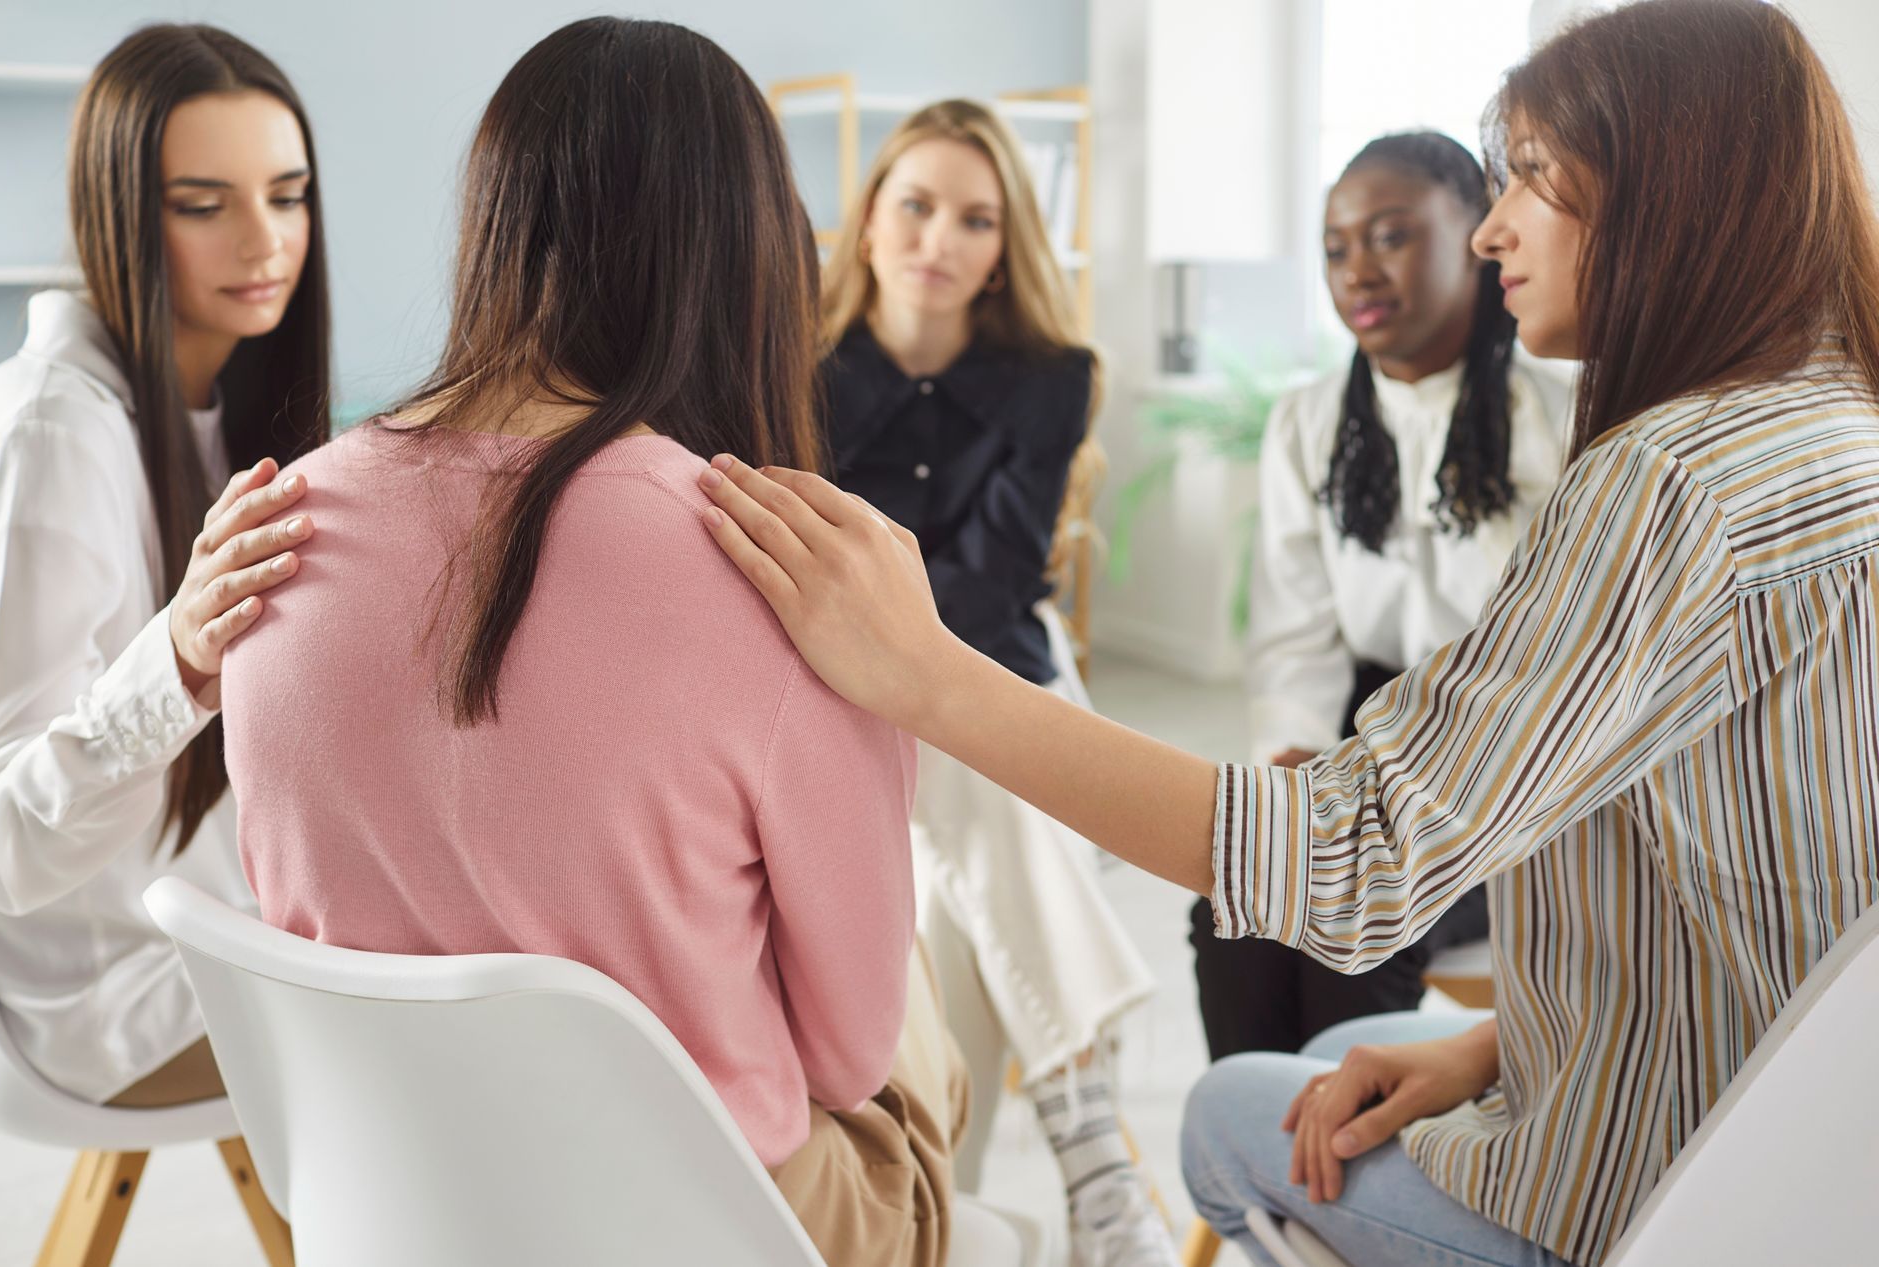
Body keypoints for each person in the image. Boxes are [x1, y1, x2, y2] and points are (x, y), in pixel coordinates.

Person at [692, 2, 1879, 1263]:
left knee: (1228, 1110)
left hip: (1679, 1189)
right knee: (1325, 1055)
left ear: (1670, 190)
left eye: (1528, 178)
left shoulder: (1666, 480)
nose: (1492, 230)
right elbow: (1775, 913)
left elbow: (1354, 863)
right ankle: (1090, 1136)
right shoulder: (1831, 432)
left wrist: (927, 678)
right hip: (1802, 1123)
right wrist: (1499, 1043)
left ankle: (1093, 1159)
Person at [221, 20, 964, 1267]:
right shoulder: (779, 572)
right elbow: (846, 1056)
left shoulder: (269, 533)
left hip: (402, 1209)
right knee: (913, 993)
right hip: (715, 1226)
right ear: (748, 252)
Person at [818, 99, 1167, 1263]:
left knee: (970, 851)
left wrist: (895, 652)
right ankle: (1096, 1161)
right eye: (915, 204)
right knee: (990, 822)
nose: (940, 239)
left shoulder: (1051, 377)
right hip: (828, 702)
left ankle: (938, 1214)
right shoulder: (788, 363)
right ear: (869, 221)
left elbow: (990, 584)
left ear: (1004, 244)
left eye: (975, 219)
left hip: (993, 678)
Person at [0, 23, 327, 1108]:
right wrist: (176, 654)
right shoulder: (49, 428)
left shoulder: (230, 410)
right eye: (202, 205)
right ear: (121, 215)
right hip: (101, 996)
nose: (263, 240)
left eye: (290, 194)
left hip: (208, 919)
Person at [1190, 130, 1571, 1061]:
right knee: (1235, 907)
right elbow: (1296, 629)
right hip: (1363, 733)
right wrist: (1294, 778)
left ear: (1480, 237)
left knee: (1355, 927)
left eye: (1391, 236)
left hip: (1516, 772)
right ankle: (1266, 1164)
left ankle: (1342, 1176)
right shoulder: (1309, 421)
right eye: (1335, 246)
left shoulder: (1564, 418)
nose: (1358, 269)